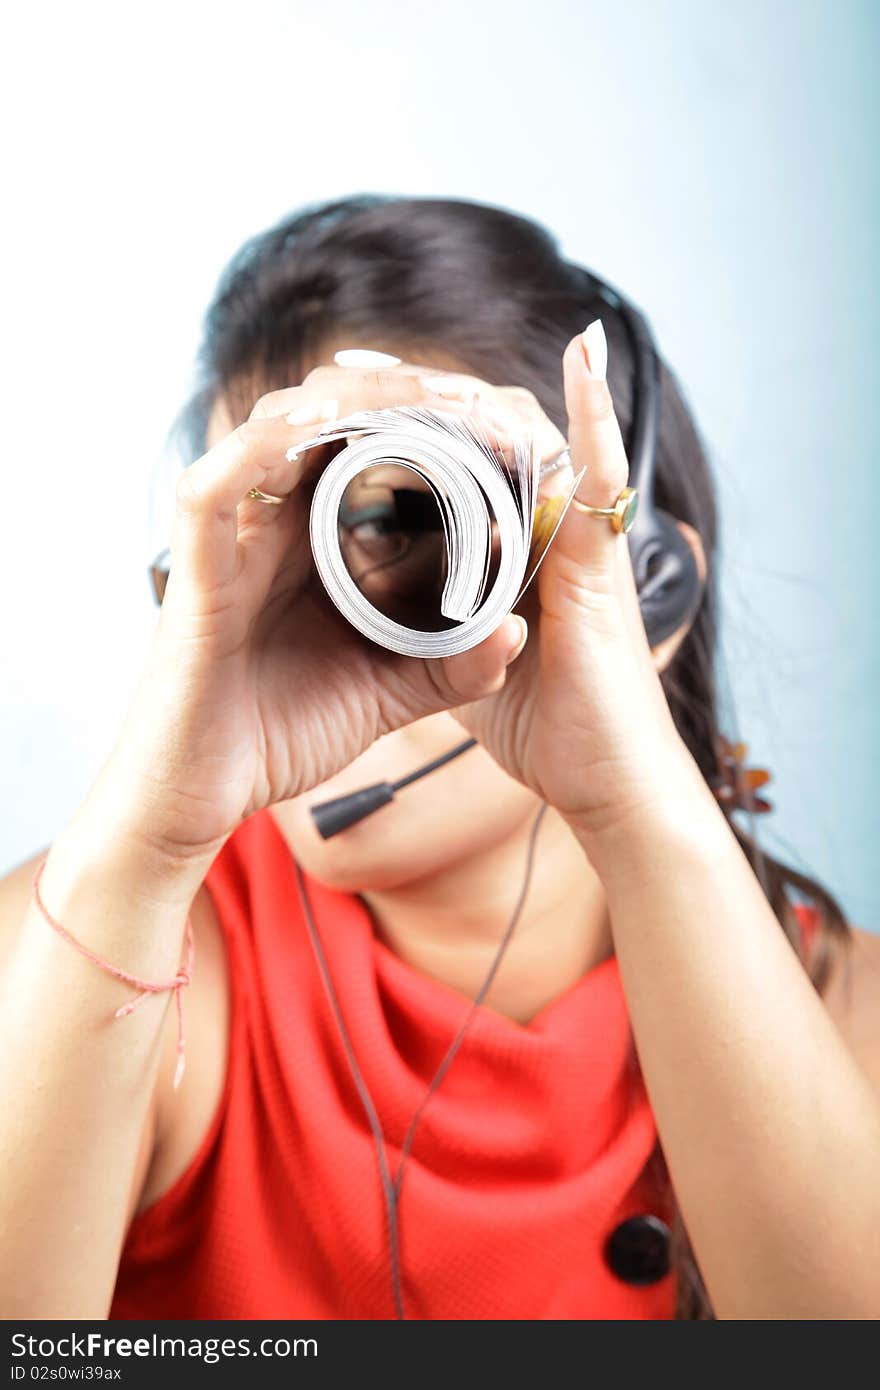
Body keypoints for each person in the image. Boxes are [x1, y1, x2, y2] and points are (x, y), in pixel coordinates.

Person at [2, 196, 878, 1322]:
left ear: (647, 584)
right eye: (271, 539)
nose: (324, 613)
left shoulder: (837, 1008)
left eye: (400, 519)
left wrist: (636, 804)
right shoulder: (115, 950)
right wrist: (147, 833)